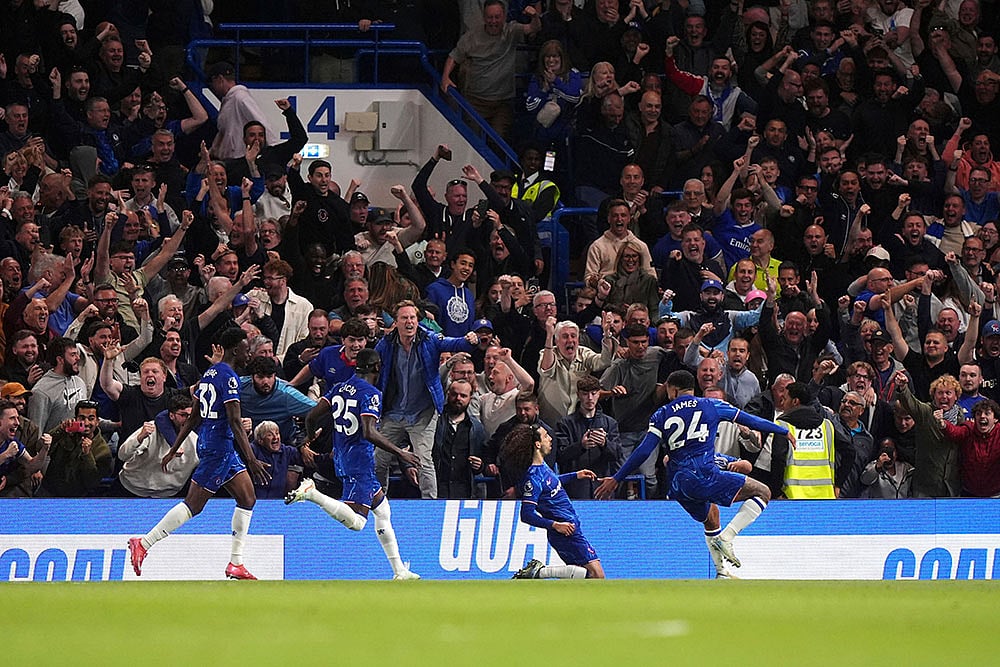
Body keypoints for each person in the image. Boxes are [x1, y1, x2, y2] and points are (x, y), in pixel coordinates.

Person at [596, 370, 794, 579]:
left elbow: (644, 451)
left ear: (672, 390)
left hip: (678, 485)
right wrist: (781, 430)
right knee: (763, 492)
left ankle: (722, 573)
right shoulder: (711, 405)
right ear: (693, 389)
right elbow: (751, 420)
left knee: (711, 517)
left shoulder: (661, 414)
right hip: (703, 473)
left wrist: (617, 478)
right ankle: (727, 537)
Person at [127, 328, 272, 580]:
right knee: (193, 506)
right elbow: (235, 421)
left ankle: (236, 564)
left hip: (215, 443)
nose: (248, 351)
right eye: (245, 347)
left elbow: (194, 415)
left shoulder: (210, 374)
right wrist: (251, 459)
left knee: (248, 498)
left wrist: (174, 448)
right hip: (219, 447)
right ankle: (144, 543)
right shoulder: (228, 378)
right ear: (235, 349)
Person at [288, 348, 421, 580]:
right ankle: (312, 494)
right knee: (358, 522)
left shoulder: (338, 387)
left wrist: (310, 438)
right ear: (377, 367)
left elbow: (310, 417)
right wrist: (400, 452)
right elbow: (369, 432)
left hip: (341, 455)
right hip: (358, 460)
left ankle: (399, 570)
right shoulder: (371, 393)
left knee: (382, 509)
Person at [501, 424, 605, 580]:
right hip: (564, 531)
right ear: (537, 444)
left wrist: (575, 475)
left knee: (584, 577)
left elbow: (551, 482)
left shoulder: (542, 466)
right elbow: (526, 514)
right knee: (597, 576)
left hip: (569, 526)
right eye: (545, 436)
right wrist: (556, 525)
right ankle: (541, 572)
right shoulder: (532, 479)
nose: (550, 439)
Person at [116, 394, 199, 498]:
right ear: (171, 415)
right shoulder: (151, 430)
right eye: (183, 415)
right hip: (131, 488)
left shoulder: (195, 440)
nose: (188, 419)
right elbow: (122, 456)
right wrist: (139, 438)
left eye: (190, 415)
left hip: (169, 494)